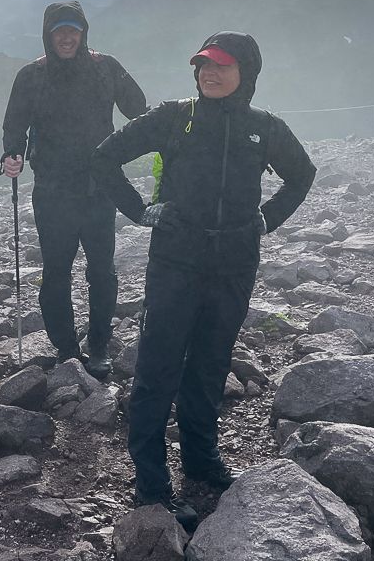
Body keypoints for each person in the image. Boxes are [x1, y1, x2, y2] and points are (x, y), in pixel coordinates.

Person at [91, 31, 315, 522]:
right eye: (202, 66)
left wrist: (266, 218)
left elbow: (303, 175)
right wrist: (140, 212)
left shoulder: (264, 127)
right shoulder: (175, 116)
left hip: (235, 261)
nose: (209, 74)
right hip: (176, 258)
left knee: (211, 363)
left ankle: (201, 460)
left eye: (222, 66)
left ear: (246, 74)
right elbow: (104, 157)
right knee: (158, 367)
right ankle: (151, 483)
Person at [1, 1, 148, 378]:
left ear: (83, 33)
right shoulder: (32, 75)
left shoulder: (105, 67)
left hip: (99, 188)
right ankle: (67, 348)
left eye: (73, 30)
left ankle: (98, 346)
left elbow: (138, 109)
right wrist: (12, 155)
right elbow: (14, 125)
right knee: (56, 272)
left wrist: (130, 143)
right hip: (52, 190)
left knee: (102, 272)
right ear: (49, 35)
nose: (67, 37)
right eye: (59, 31)